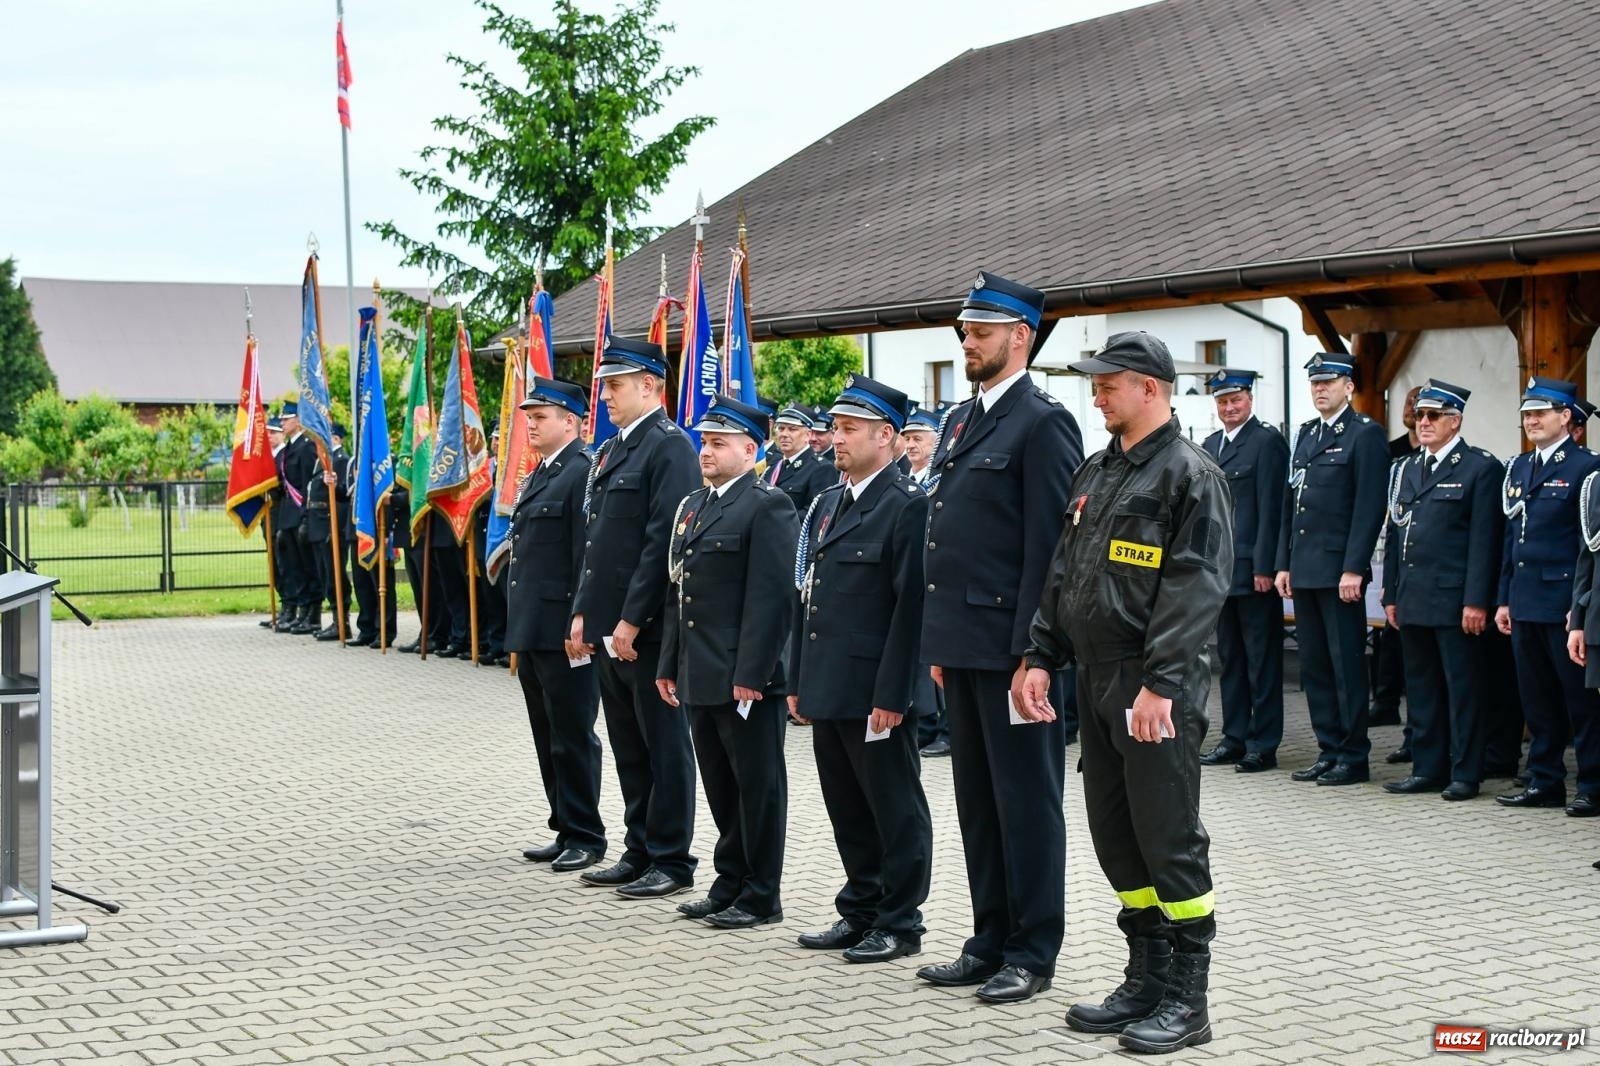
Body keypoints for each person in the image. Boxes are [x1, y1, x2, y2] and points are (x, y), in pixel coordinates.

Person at [1019, 331, 1230, 1054]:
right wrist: (1040, 653)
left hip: (1151, 686)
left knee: (1169, 839)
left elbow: (1195, 586)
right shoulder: (1096, 471)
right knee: (1118, 840)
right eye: (1096, 383)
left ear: (1150, 387)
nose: (1097, 394)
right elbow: (1063, 571)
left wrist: (1162, 683)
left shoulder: (1189, 474)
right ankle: (1144, 979)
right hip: (1097, 681)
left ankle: (1188, 1000)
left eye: (1108, 383)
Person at [916, 271, 1083, 1005]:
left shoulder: (1043, 423)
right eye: (963, 330)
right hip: (966, 648)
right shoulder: (960, 420)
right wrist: (942, 648)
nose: (967, 342)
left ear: (1020, 337)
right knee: (979, 803)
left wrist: (1035, 654)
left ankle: (1032, 949)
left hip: (1016, 656)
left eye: (980, 331)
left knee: (1026, 803)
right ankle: (989, 939)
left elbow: (1052, 552)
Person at [789, 375, 933, 963]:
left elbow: (910, 610)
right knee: (846, 804)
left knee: (893, 806)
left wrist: (894, 693)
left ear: (887, 436)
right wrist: (798, 679)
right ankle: (861, 907)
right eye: (836, 429)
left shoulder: (906, 506)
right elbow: (810, 598)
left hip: (876, 686)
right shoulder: (827, 501)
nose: (837, 439)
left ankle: (899, 921)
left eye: (849, 430)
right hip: (830, 682)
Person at [570, 336, 703, 899]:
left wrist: (631, 619)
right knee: (628, 741)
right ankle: (639, 847)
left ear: (650, 385)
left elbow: (662, 542)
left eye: (615, 386)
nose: (605, 397)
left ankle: (671, 860)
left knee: (663, 745)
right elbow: (597, 542)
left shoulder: (667, 446)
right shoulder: (613, 449)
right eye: (604, 387)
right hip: (607, 626)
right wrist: (582, 612)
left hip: (644, 629)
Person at [658, 395, 797, 929]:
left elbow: (772, 598)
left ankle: (762, 893)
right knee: (720, 783)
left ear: (750, 448)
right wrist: (669, 661)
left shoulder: (768, 504)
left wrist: (752, 674)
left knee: (756, 787)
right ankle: (729, 880)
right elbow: (680, 593)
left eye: (718, 443)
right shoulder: (696, 504)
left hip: (744, 678)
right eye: (704, 443)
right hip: (700, 670)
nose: (706, 451)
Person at [1380, 380, 1503, 801]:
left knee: (1463, 689)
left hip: (1455, 601)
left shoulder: (1479, 468)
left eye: (1434, 416)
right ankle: (1427, 768)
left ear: (1456, 421)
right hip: (1414, 597)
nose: (1424, 422)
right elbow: (1396, 535)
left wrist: (1476, 600)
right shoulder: (1407, 468)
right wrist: (1391, 594)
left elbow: (1484, 542)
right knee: (1422, 689)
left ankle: (1466, 772)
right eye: (1420, 415)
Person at [506, 376, 608, 872]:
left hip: (565, 630)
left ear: (571, 421)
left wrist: (580, 621)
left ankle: (587, 834)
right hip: (533, 626)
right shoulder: (542, 473)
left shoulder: (581, 473)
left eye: (540, 417)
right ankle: (565, 825)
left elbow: (583, 555)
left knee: (572, 733)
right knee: (547, 733)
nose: (531, 424)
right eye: (529, 417)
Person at [1274, 354, 1388, 786]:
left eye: (1329, 381)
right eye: (1315, 382)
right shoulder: (1306, 435)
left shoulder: (1364, 435)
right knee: (1315, 666)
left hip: (1340, 572)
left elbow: (1369, 506)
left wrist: (1354, 568)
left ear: (1349, 387)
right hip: (1305, 569)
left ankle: (1353, 755)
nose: (1321, 388)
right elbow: (1292, 503)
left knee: (1346, 665)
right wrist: (1283, 563)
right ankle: (1329, 748)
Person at [1497, 378, 1600, 815]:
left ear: (1567, 418)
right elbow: (1511, 541)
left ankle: (1592, 784)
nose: (1531, 419)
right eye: (1527, 413)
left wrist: (1579, 611)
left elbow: (1587, 548)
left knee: (1580, 701)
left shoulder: (1586, 468)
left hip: (1563, 603)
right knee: (1536, 698)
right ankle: (1545, 780)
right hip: (1524, 600)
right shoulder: (1519, 467)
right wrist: (1504, 598)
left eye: (1541, 412)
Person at [1198, 370, 1288, 773]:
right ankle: (1234, 738)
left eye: (1235, 399)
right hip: (1219, 571)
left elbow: (1272, 509)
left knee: (1261, 660)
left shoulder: (1267, 442)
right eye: (1222, 401)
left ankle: (1263, 743)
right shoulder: (1210, 445)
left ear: (1250, 399)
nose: (1229, 407)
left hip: (1254, 571)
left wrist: (1266, 565)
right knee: (1229, 658)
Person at [1374, 385, 1422, 739]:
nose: (1414, 412)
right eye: (1409, 403)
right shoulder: (1392, 454)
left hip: (1432, 579)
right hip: (1398, 567)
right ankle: (1386, 703)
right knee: (1389, 643)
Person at [900, 406, 949, 757]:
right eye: (907, 438)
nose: (911, 445)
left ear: (937, 442)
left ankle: (945, 728)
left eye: (918, 438)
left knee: (937, 658)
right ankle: (928, 724)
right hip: (913, 578)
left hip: (935, 580)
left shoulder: (938, 479)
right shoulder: (908, 479)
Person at [305, 423, 352, 641]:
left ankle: (342, 621)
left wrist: (337, 527)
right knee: (325, 574)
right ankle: (335, 620)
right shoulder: (321, 461)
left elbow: (342, 497)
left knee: (335, 574)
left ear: (335, 438)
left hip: (331, 524)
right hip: (318, 523)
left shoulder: (340, 460)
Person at [275, 403, 319, 634]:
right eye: (282, 420)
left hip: (300, 514)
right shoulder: (290, 448)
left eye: (286, 419)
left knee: (307, 566)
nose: (282, 423)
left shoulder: (306, 446)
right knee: (294, 567)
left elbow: (306, 484)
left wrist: (305, 517)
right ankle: (301, 609)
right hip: (287, 515)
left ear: (299, 420)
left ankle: (312, 614)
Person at [766, 405, 834, 514]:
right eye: (781, 428)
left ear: (808, 435)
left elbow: (815, 515)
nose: (784, 434)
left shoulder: (821, 468)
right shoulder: (772, 467)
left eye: (792, 429)